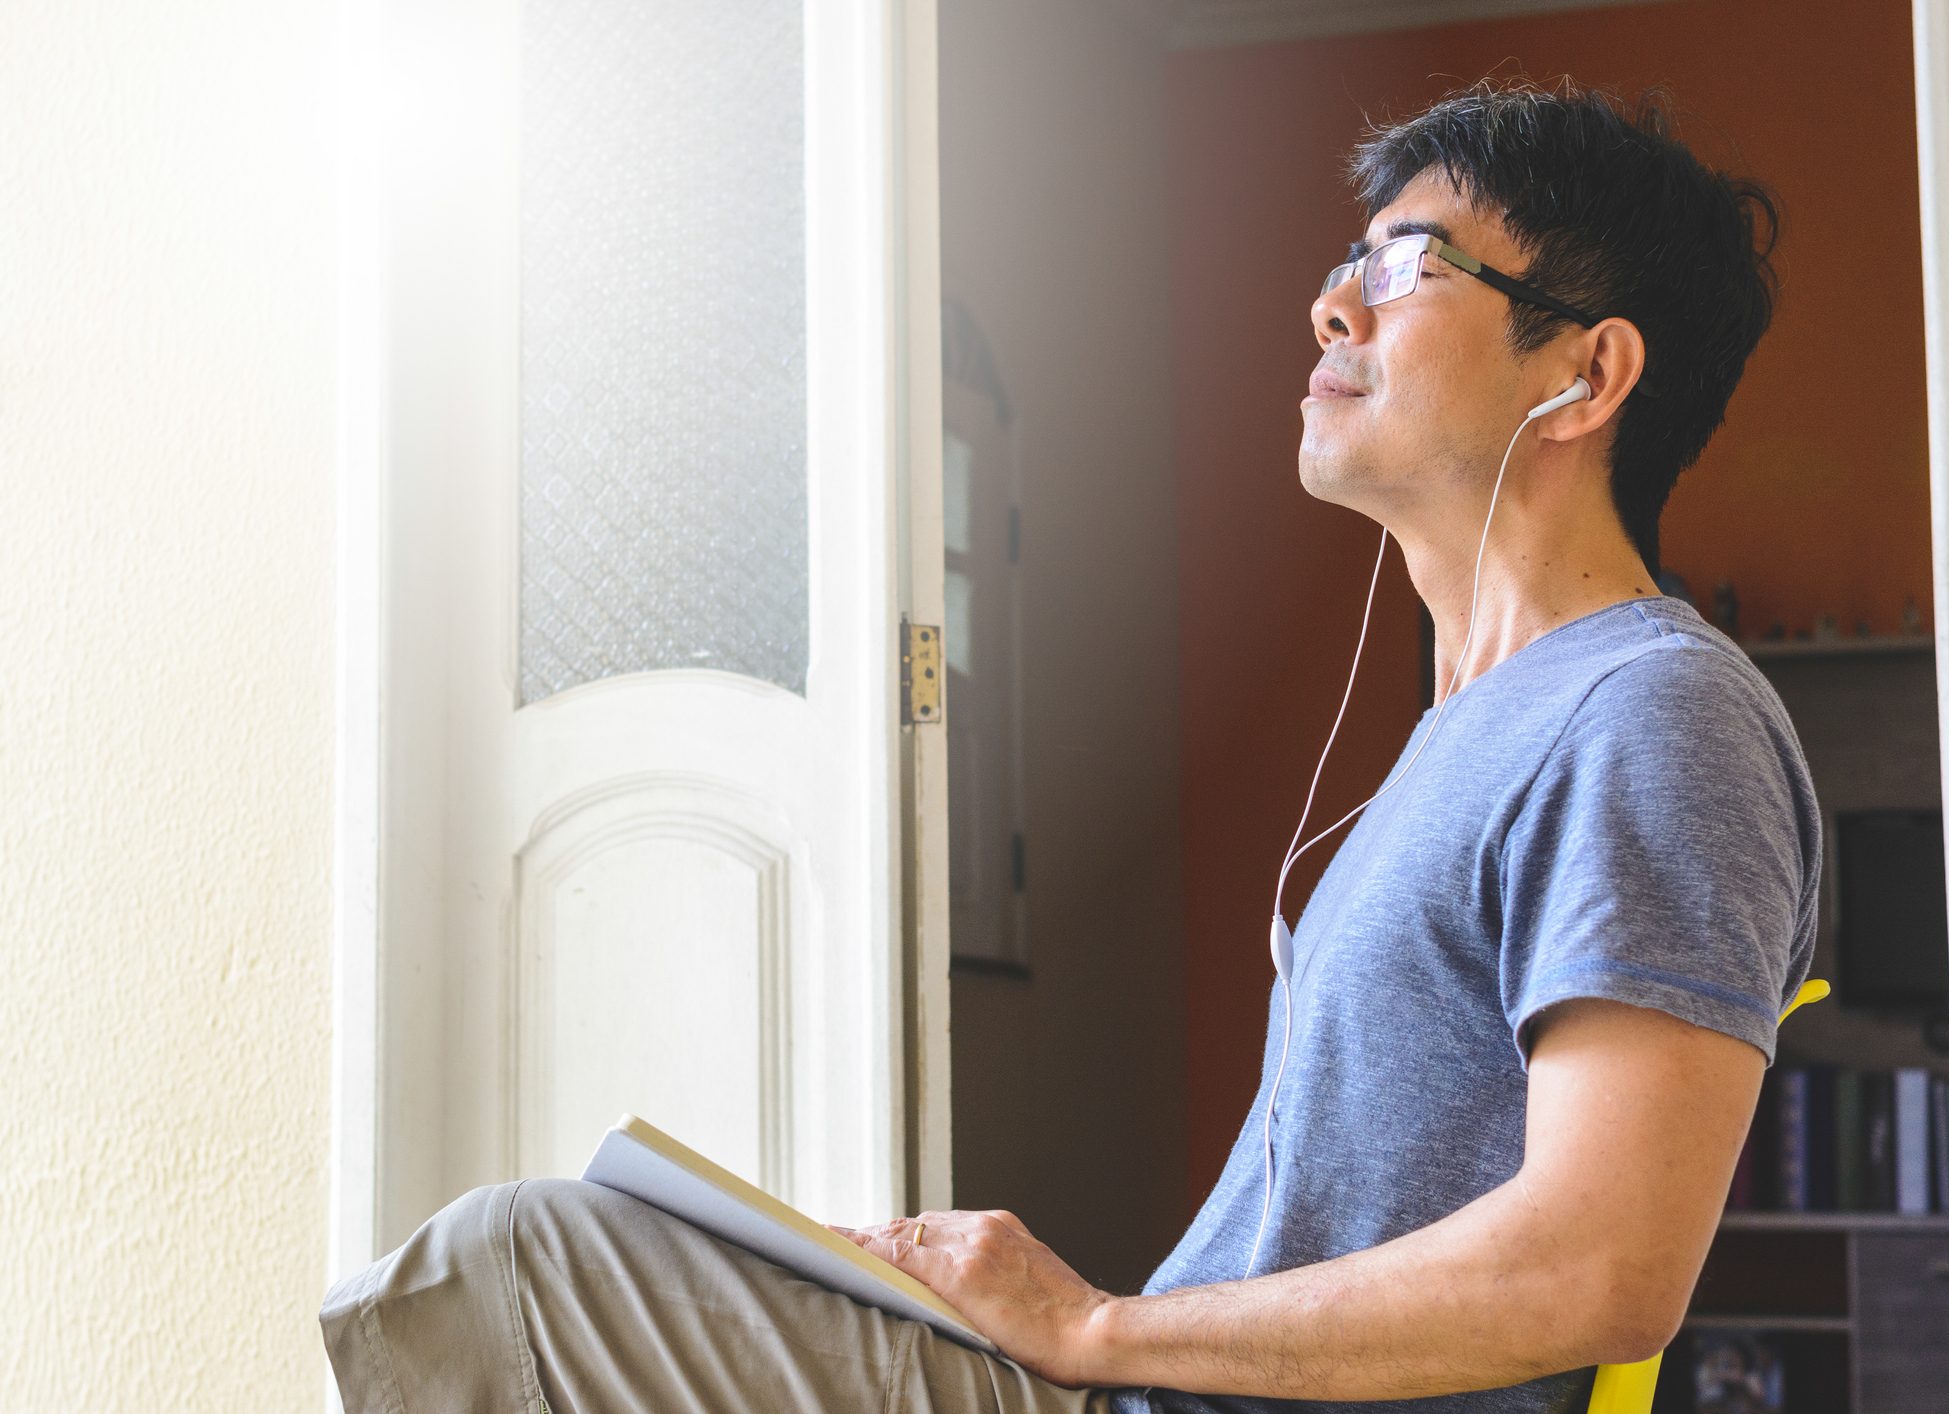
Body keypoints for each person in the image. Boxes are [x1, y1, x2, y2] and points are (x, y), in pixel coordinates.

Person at [320, 75, 1815, 1414]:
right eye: (1342, 261)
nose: (1334, 307)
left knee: (516, 1262)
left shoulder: (1647, 711)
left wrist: (1097, 1328)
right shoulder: (1461, 730)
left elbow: (1600, 1266)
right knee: (598, 1243)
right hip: (1123, 1383)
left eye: (1407, 263)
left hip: (1129, 1391)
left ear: (1587, 375)